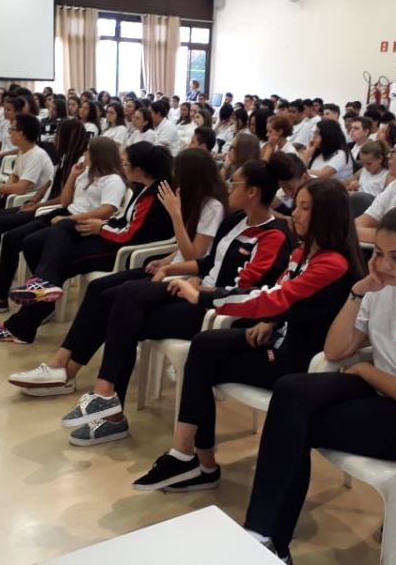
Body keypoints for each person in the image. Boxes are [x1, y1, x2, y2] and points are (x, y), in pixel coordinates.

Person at [242, 207, 396, 562]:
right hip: (386, 393)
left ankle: (271, 539)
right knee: (290, 390)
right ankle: (262, 533)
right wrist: (357, 291)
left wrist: (367, 372)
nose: (383, 265)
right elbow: (336, 349)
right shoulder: (380, 287)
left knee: (298, 426)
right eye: (379, 253)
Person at [24, 160, 292, 445]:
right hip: (197, 293)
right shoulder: (235, 220)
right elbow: (208, 262)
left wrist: (201, 290)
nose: (228, 188)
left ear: (253, 192)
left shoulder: (273, 235)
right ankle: (104, 399)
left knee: (124, 309)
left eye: (234, 184)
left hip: (218, 311)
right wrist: (172, 269)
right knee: (116, 298)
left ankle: (107, 404)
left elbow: (247, 287)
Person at [132, 179, 365, 491]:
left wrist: (200, 297)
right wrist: (272, 321)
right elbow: (280, 296)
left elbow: (274, 296)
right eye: (296, 205)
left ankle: (193, 461)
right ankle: (190, 457)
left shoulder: (332, 263)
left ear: (327, 215)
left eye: (306, 208)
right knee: (203, 346)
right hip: (278, 339)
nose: (295, 213)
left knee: (204, 361)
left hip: (298, 362)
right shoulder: (302, 252)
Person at [0, 142, 176, 343]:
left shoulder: (155, 194)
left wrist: (101, 227)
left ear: (139, 170)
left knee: (61, 258)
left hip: (125, 251)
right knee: (58, 230)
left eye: (125, 163)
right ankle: (42, 288)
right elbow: (122, 221)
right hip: (115, 236)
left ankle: (25, 319)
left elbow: (131, 235)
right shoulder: (142, 186)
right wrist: (97, 224)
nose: (122, 166)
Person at [0, 131, 122, 300]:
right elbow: (66, 202)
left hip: (77, 222)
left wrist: (68, 218)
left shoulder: (113, 180)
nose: (85, 153)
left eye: (89, 151)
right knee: (11, 238)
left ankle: (42, 289)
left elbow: (107, 210)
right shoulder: (85, 173)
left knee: (27, 241)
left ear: (99, 155)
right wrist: (73, 176)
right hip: (64, 213)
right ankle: (0, 297)